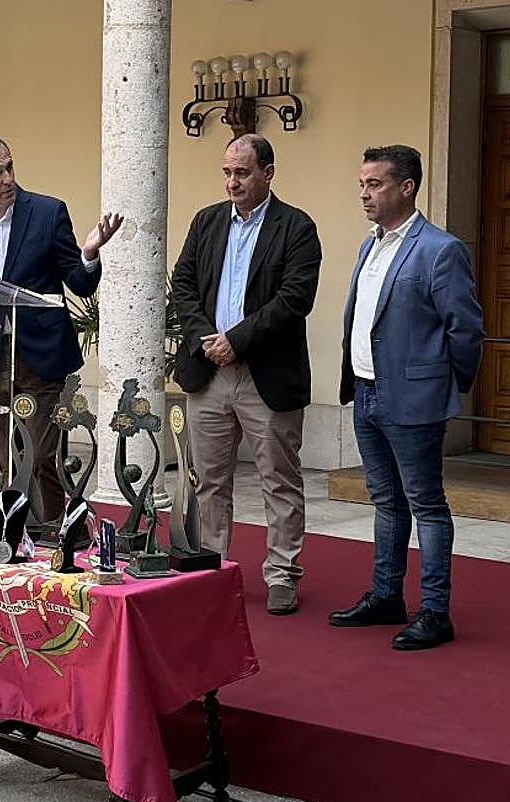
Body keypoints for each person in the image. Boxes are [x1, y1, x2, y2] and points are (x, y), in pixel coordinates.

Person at [328, 145, 483, 650]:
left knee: (427, 505)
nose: (364, 194)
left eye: (374, 184)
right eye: (361, 185)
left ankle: (435, 611)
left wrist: (443, 385)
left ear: (406, 187)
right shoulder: (368, 246)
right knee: (386, 502)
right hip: (367, 392)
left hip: (414, 399)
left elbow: (466, 329)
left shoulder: (439, 249)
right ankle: (385, 595)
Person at [170, 134, 321, 616]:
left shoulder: (296, 227)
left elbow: (294, 299)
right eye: (227, 172)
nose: (232, 182)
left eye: (243, 173)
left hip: (265, 374)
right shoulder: (207, 221)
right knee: (208, 478)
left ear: (268, 173)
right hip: (208, 372)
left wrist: (237, 339)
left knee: (279, 479)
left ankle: (281, 575)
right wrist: (204, 339)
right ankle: (213, 565)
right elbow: (184, 285)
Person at [0, 134, 121, 522]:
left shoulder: (47, 212)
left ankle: (58, 533)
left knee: (41, 456)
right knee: (10, 461)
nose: (7, 179)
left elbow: (80, 283)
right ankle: (19, 535)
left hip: (41, 353)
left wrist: (89, 253)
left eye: (9, 167)